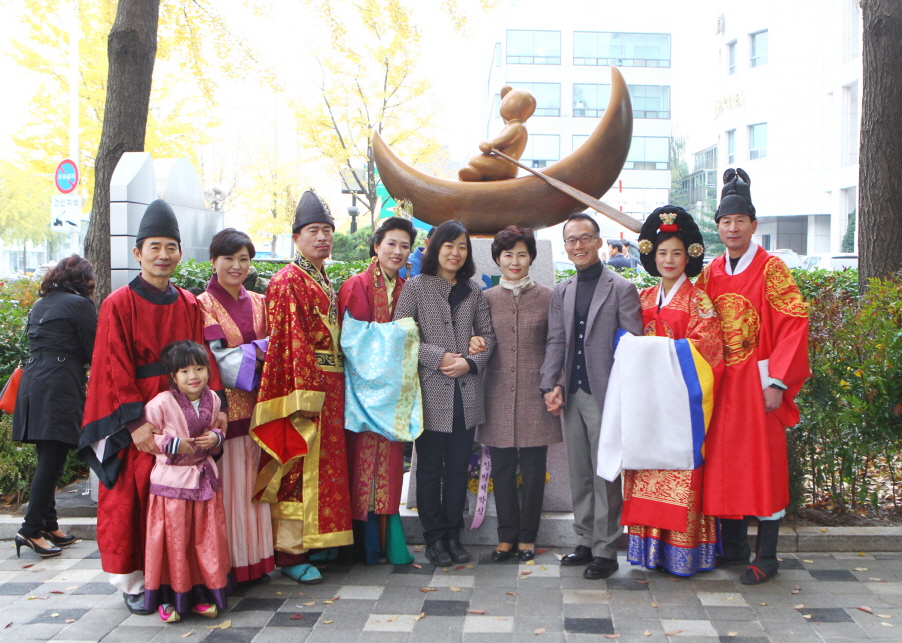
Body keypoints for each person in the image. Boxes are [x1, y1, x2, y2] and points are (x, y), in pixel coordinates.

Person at [79, 200, 226, 614]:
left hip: (185, 408)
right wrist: (135, 424)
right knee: (132, 493)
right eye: (155, 247)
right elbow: (112, 365)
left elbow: (204, 358)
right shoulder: (118, 304)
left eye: (171, 247)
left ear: (180, 253)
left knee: (182, 495)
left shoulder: (188, 303)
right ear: (137, 252)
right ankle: (134, 579)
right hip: (140, 412)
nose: (164, 255)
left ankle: (181, 574)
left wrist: (217, 409)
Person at [695, 168, 810, 584]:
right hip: (723, 385)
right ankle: (735, 548)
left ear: (753, 225)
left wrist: (778, 380)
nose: (732, 228)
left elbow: (794, 322)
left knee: (762, 465)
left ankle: (768, 555)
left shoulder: (772, 269)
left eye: (739, 221)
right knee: (725, 463)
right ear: (719, 228)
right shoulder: (711, 273)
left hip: (759, 383)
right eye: (725, 222)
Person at [250, 190, 353, 585]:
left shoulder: (323, 279)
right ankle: (291, 551)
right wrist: (305, 396)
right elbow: (288, 343)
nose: (323, 238)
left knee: (324, 468)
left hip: (331, 386)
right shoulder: (287, 280)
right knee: (297, 466)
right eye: (314, 231)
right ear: (296, 237)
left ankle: (317, 538)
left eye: (327, 231)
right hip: (304, 388)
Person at [617, 207, 724, 576]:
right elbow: (625, 345)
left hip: (681, 408)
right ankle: (649, 553)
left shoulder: (699, 301)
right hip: (648, 408)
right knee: (646, 474)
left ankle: (684, 554)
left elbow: (709, 351)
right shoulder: (642, 298)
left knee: (682, 477)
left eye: (676, 253)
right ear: (651, 255)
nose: (668, 260)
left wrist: (658, 351)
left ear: (689, 256)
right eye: (662, 253)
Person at [539, 213, 643, 580]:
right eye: (571, 240)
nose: (578, 245)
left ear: (599, 242)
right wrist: (550, 383)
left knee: (605, 474)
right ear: (565, 246)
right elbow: (556, 341)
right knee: (579, 471)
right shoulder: (563, 290)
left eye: (585, 238)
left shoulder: (621, 288)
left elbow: (632, 346)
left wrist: (626, 394)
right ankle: (583, 540)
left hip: (607, 394)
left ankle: (606, 548)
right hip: (573, 392)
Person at [393, 220, 496, 566]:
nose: (455, 253)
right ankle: (433, 537)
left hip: (466, 395)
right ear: (435, 248)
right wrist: (440, 357)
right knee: (429, 470)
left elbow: (488, 336)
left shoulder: (474, 291)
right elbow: (402, 336)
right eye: (448, 245)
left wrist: (470, 361)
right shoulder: (416, 287)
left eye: (462, 247)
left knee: (457, 469)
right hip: (429, 393)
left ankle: (454, 533)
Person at [476, 226, 561, 563]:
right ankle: (506, 537)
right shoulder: (486, 299)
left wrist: (555, 383)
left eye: (522, 254)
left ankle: (528, 538)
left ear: (531, 259)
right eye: (508, 255)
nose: (515, 261)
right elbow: (478, 341)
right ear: (497, 259)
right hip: (495, 395)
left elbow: (558, 342)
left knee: (533, 469)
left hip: (534, 396)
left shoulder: (548, 297)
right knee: (502, 469)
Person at [197, 229, 275, 584]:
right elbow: (214, 359)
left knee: (254, 490)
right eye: (228, 258)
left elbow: (280, 347)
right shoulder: (203, 304)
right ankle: (228, 566)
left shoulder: (260, 301)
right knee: (229, 491)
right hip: (224, 412)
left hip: (260, 409)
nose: (236, 266)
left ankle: (256, 562)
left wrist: (264, 350)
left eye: (244, 259)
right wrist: (261, 349)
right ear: (213, 261)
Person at [338, 216, 417, 565]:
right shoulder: (356, 286)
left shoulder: (406, 287)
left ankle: (389, 540)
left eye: (404, 246)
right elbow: (354, 342)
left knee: (390, 465)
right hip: (363, 395)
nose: (397, 252)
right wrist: (402, 336)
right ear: (376, 245)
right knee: (362, 463)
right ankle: (367, 546)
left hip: (394, 394)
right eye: (391, 244)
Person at [13, 255, 97, 559]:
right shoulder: (80, 305)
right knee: (52, 460)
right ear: (83, 280)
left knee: (46, 457)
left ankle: (49, 524)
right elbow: (94, 349)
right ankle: (31, 528)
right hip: (58, 386)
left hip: (33, 384)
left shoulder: (42, 303)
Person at [143, 341, 230, 622]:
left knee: (204, 539)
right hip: (173, 484)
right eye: (184, 371)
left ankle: (201, 594)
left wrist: (217, 438)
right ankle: (169, 597)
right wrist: (172, 444)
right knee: (174, 541)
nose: (194, 376)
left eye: (200, 368)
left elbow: (217, 428)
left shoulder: (214, 400)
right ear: (173, 375)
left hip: (203, 479)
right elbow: (148, 440)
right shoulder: (159, 404)